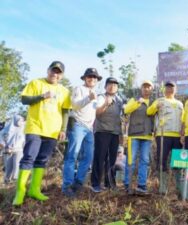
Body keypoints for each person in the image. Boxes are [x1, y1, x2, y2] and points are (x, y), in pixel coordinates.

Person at [13, 61, 71, 206]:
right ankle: (20, 192)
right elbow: (24, 99)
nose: (55, 74)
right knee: (29, 157)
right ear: (48, 70)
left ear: (61, 75)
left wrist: (63, 129)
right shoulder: (35, 83)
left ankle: (34, 189)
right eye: (53, 70)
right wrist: (42, 96)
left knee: (42, 160)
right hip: (35, 127)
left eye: (58, 72)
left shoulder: (64, 91)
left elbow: (65, 111)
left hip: (52, 131)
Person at [62, 68, 102, 197]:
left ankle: (78, 183)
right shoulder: (79, 89)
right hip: (78, 125)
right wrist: (88, 99)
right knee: (72, 155)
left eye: (95, 77)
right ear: (85, 78)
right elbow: (75, 105)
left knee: (88, 157)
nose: (92, 79)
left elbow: (95, 112)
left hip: (89, 129)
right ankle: (67, 186)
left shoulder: (96, 93)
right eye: (89, 76)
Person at [147, 81, 184, 194]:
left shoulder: (180, 104)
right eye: (167, 87)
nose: (169, 89)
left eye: (172, 88)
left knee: (178, 161)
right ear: (164, 89)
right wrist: (156, 107)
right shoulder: (159, 101)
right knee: (162, 160)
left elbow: (183, 120)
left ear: (175, 90)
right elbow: (149, 112)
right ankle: (163, 187)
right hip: (163, 135)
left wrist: (183, 133)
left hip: (177, 136)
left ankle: (179, 187)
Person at [91, 77, 123, 192]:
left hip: (115, 133)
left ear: (117, 88)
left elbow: (120, 119)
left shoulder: (119, 100)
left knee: (111, 160)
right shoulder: (101, 97)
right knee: (99, 158)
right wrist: (105, 104)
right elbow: (96, 113)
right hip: (102, 132)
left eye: (115, 85)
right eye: (110, 84)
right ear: (105, 86)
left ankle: (110, 184)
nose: (112, 86)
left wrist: (121, 136)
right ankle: (95, 184)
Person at [123, 80, 154, 194]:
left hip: (147, 136)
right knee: (130, 160)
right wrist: (137, 103)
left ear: (152, 89)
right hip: (134, 135)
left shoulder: (153, 102)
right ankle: (128, 184)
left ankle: (142, 185)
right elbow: (126, 110)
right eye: (144, 87)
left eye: (148, 87)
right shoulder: (134, 99)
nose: (146, 89)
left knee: (144, 160)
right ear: (141, 89)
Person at [0, 115, 25, 184]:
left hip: (19, 150)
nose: (21, 122)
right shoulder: (6, 129)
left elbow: (25, 140)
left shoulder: (24, 129)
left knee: (17, 165)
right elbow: (1, 139)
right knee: (8, 167)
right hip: (8, 151)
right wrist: (5, 147)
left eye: (22, 120)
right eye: (20, 120)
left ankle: (15, 181)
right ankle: (6, 181)